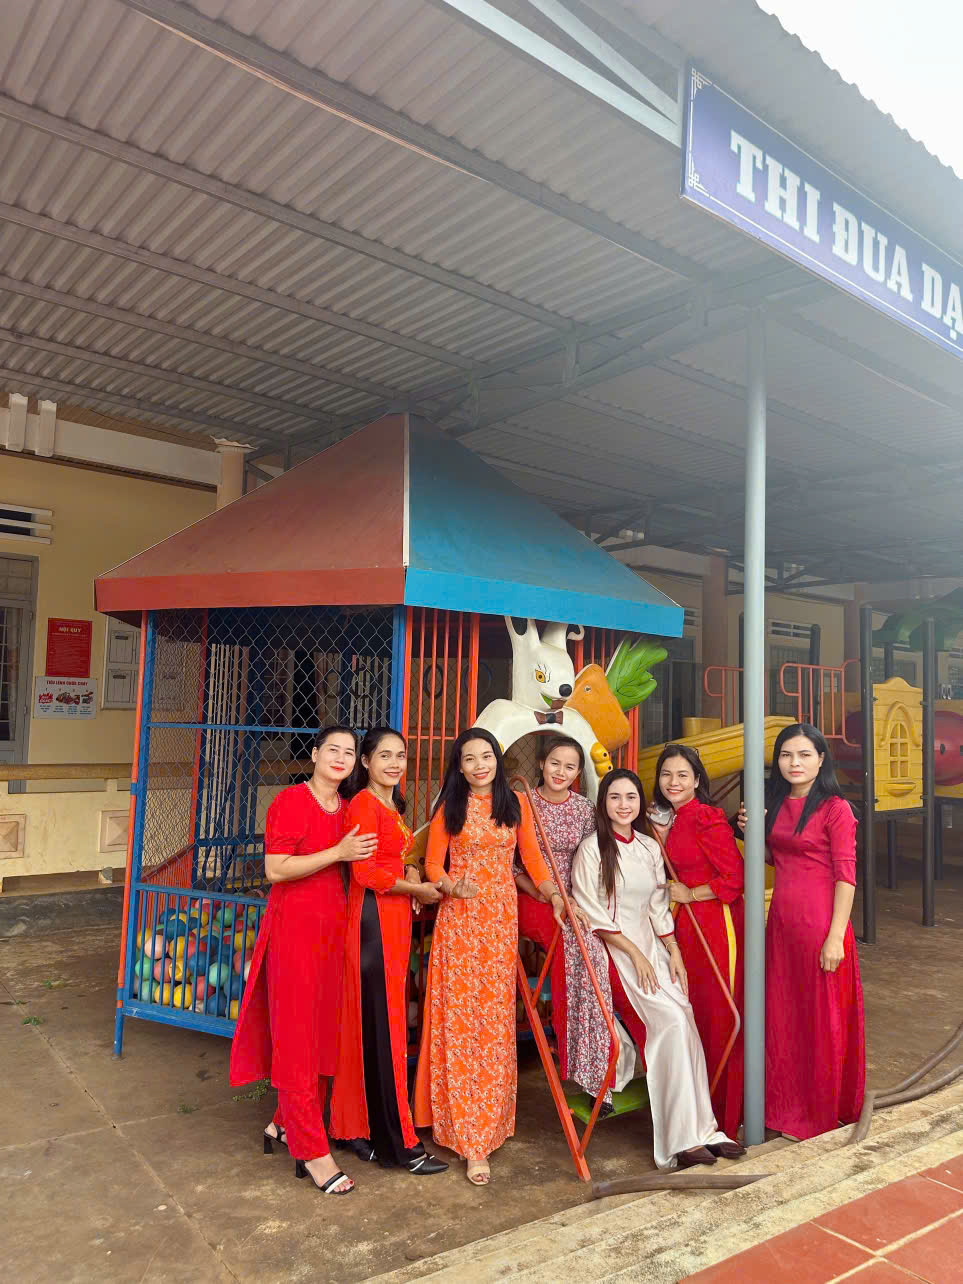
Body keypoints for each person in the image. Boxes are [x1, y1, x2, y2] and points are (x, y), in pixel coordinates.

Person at [413, 727, 565, 1185]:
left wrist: (553, 895)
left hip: (499, 923)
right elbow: (433, 865)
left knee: (493, 1024)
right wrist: (449, 885)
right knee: (460, 1023)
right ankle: (468, 1139)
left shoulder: (515, 805)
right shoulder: (449, 807)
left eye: (487, 756)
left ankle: (489, 1122)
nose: (479, 765)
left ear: (497, 760)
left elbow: (533, 860)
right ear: (459, 768)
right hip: (459, 922)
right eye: (469, 759)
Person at [571, 768, 743, 1169]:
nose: (624, 805)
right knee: (669, 1024)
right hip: (615, 953)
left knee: (686, 1018)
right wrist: (635, 953)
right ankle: (678, 1140)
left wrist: (673, 949)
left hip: (653, 948)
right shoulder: (592, 850)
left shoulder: (649, 847)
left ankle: (705, 1129)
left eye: (631, 797)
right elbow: (592, 913)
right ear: (603, 803)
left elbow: (657, 906)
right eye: (615, 797)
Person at [229, 725, 376, 1196]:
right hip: (294, 932)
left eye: (349, 751)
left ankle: (283, 1122)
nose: (340, 757)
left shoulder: (348, 808)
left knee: (323, 1035)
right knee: (297, 1037)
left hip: (333, 933)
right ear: (314, 754)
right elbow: (276, 869)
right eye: (332, 749)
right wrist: (338, 851)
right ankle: (312, 1150)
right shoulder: (291, 802)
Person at [330, 727, 448, 1175]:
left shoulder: (390, 805)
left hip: (390, 922)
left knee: (371, 1028)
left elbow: (395, 857)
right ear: (365, 762)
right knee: (385, 1032)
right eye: (385, 755)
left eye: (400, 755)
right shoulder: (364, 804)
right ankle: (398, 1145)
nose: (395, 763)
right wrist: (416, 888)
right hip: (373, 923)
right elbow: (366, 874)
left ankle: (355, 1127)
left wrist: (412, 872)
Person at [752, 723, 865, 1140]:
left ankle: (818, 1112)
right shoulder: (774, 803)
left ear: (821, 760)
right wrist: (751, 830)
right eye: (786, 755)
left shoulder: (836, 809)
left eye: (803, 755)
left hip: (821, 926)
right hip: (782, 925)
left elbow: (846, 877)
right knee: (785, 1017)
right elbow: (774, 857)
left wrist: (836, 937)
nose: (794, 763)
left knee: (820, 1022)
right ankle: (783, 1107)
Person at [513, 734, 627, 1109]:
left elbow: (594, 859)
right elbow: (513, 865)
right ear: (541, 764)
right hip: (533, 895)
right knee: (577, 947)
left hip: (575, 896)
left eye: (570, 767)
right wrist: (546, 894)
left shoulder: (583, 809)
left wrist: (581, 899)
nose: (561, 772)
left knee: (597, 948)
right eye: (555, 763)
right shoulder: (522, 804)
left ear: (578, 772)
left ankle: (601, 1068)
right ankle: (582, 1062)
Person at [647, 744, 745, 1139]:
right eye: (666, 774)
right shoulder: (664, 818)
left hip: (714, 925)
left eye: (682, 775)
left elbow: (734, 879)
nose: (673, 782)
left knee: (716, 1014)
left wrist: (690, 893)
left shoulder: (706, 817)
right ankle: (694, 1111)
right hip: (683, 925)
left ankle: (722, 1111)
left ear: (697, 780)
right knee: (690, 1013)